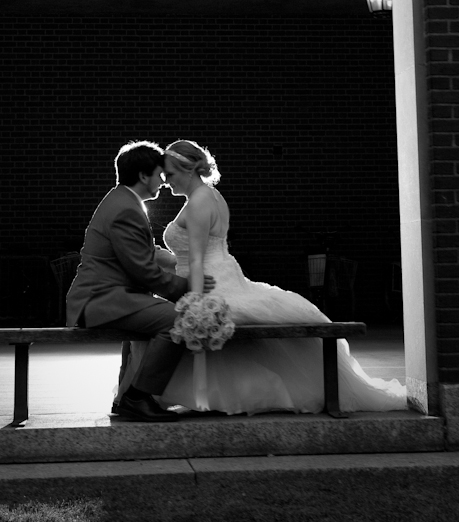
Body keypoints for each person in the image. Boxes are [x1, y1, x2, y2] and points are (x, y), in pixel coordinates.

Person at [149, 139, 408, 415]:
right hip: (219, 275)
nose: (166, 181)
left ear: (188, 169)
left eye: (170, 174)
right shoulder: (209, 196)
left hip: (211, 285)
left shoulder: (200, 201)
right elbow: (192, 254)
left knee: (165, 323)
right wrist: (161, 257)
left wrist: (195, 300)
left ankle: (178, 393)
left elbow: (197, 259)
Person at [66, 140, 209, 422]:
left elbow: (145, 253)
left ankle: (126, 396)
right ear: (144, 176)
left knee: (165, 315)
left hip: (111, 296)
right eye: (159, 174)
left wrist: (178, 263)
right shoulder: (126, 209)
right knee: (179, 320)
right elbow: (144, 272)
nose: (164, 181)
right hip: (101, 299)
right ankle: (137, 397)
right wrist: (189, 289)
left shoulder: (124, 201)